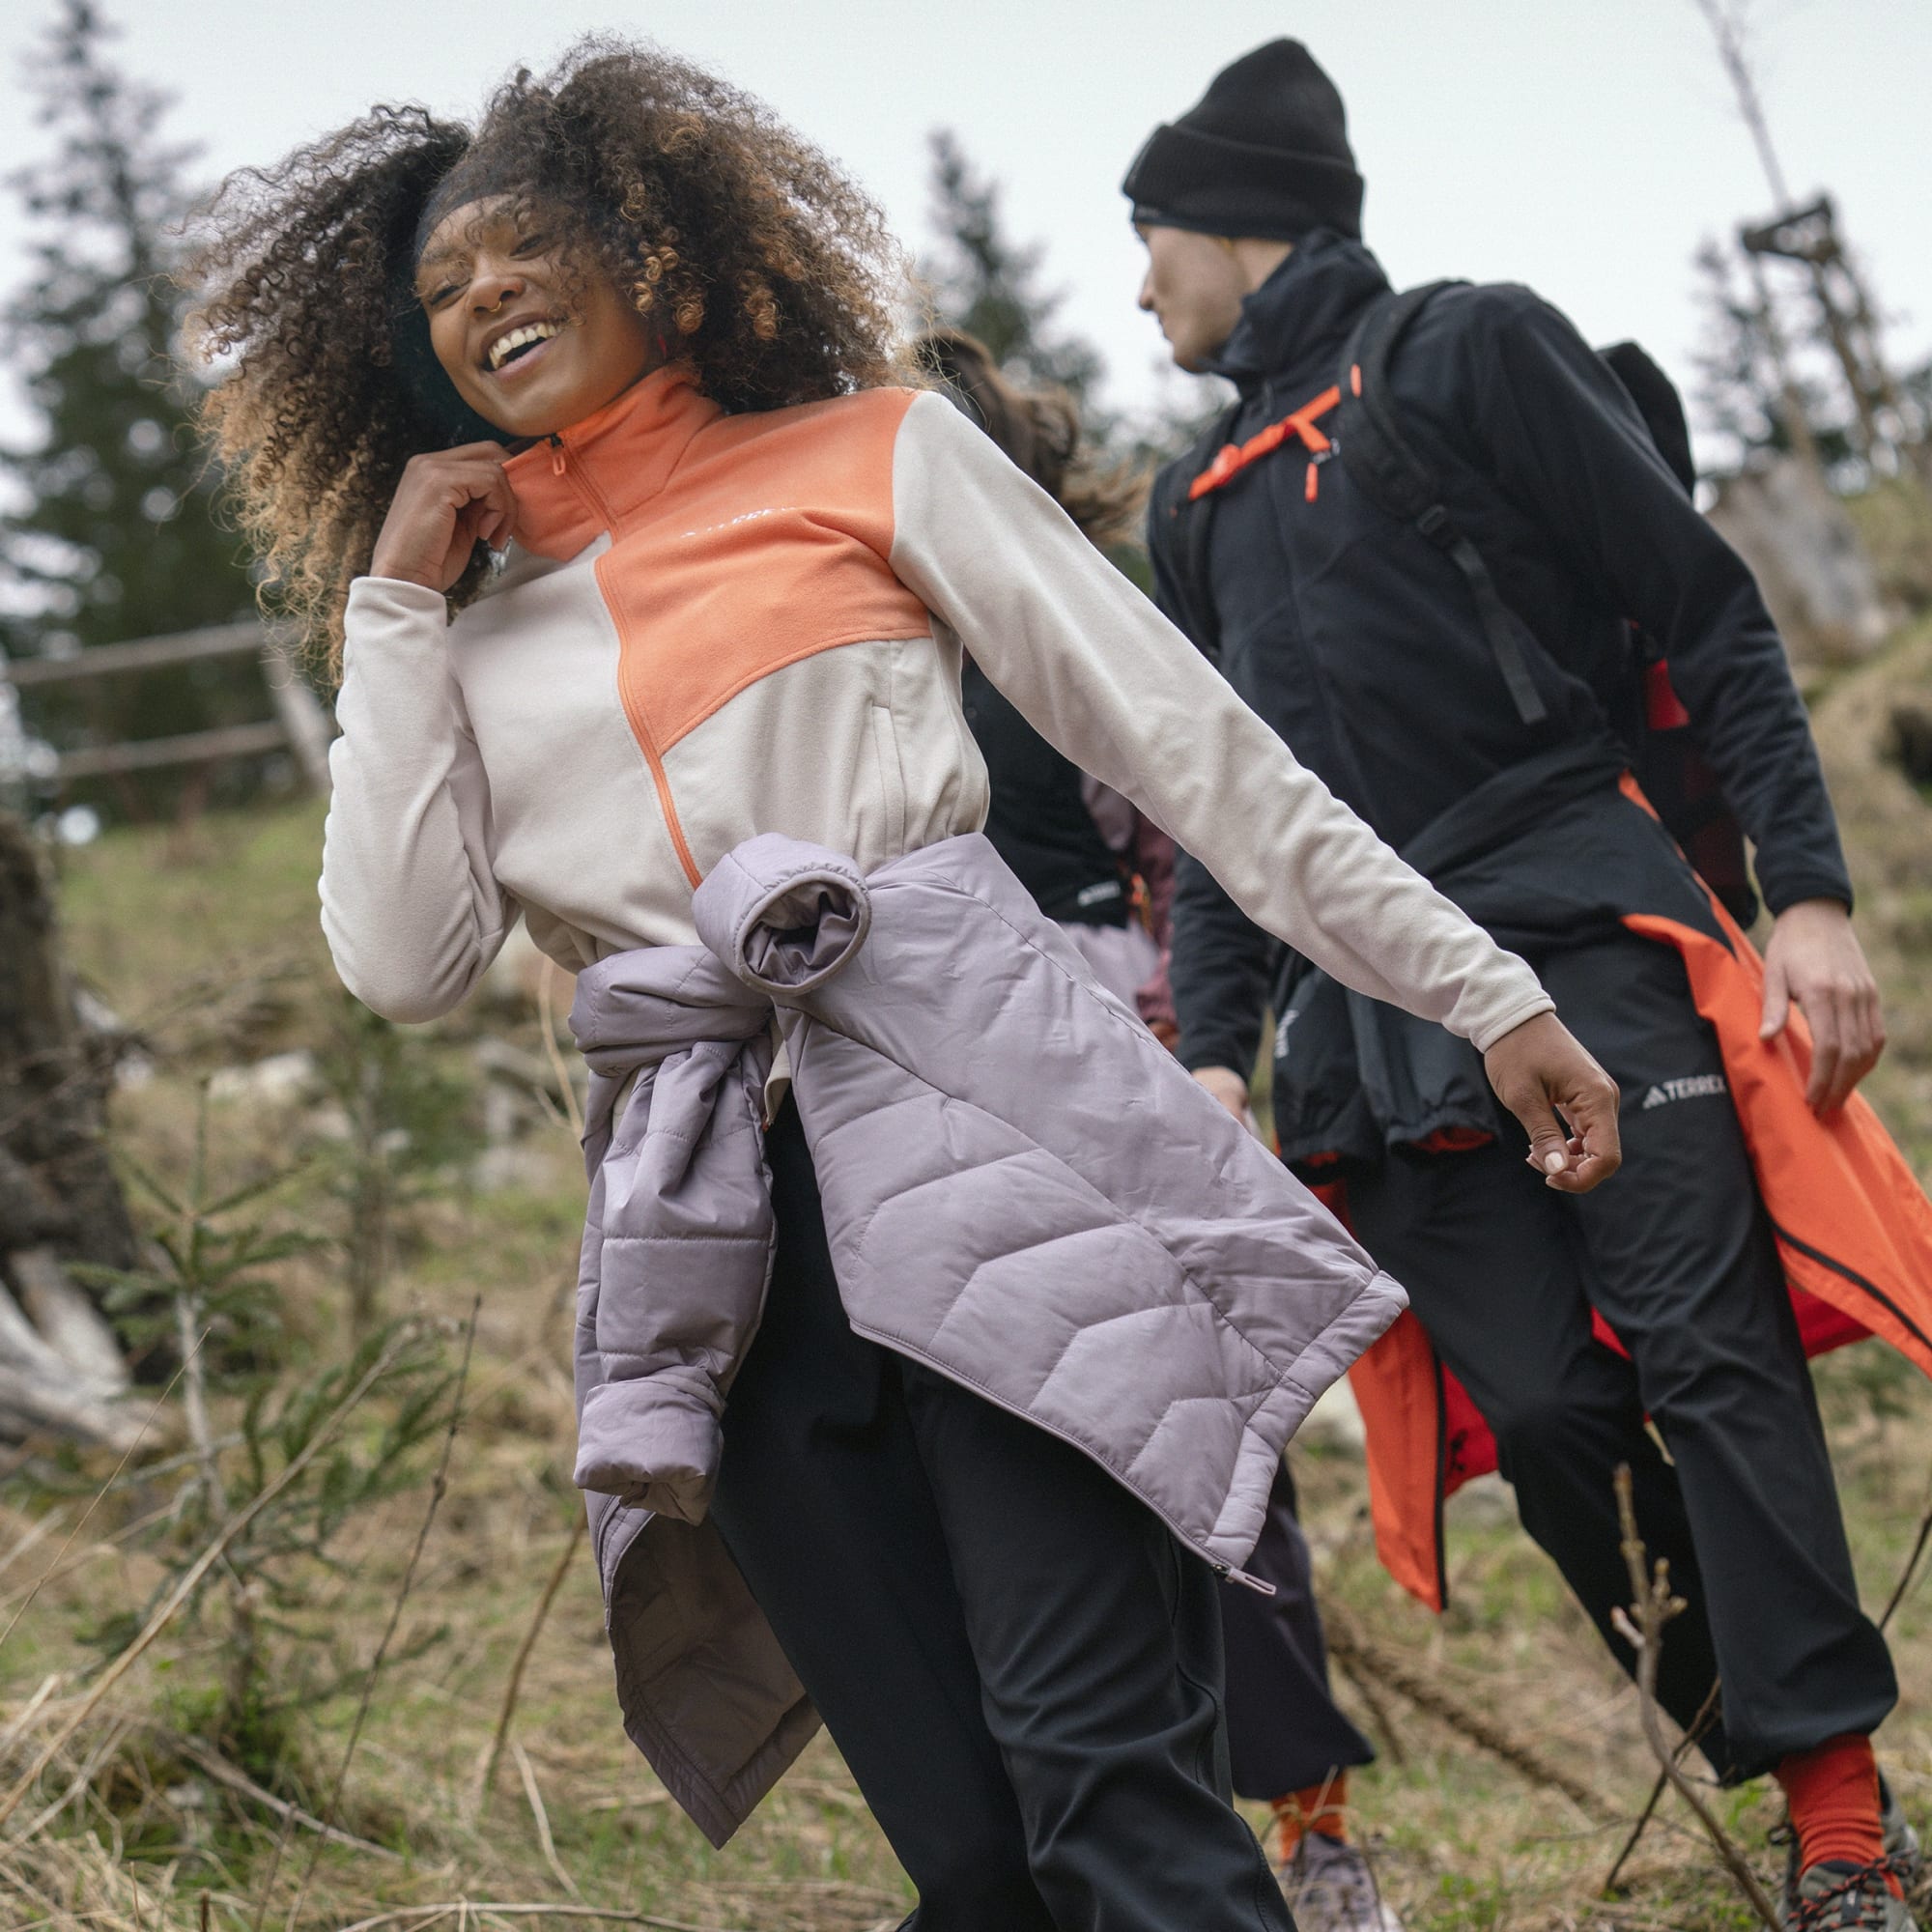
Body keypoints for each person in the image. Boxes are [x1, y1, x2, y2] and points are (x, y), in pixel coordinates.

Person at [189, 42, 1620, 1932]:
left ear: (658, 254)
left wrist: (1485, 993)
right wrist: (389, 607)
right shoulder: (467, 633)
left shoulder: (875, 452)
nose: (486, 294)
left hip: (993, 1143)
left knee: (1109, 1785)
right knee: (971, 1861)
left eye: (526, 245)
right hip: (719, 1255)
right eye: (443, 286)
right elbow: (402, 963)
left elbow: (1200, 756)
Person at [1124, 38, 1932, 1931]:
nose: (1142, 286)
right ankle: (1744, 1727)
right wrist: (1219, 1058)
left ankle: (1836, 1825)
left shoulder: (1464, 350)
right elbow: (1225, 812)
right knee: (1549, 1417)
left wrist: (1808, 899)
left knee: (1709, 1359)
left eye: (1149, 237)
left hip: (1586, 933)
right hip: (1369, 1026)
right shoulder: (1195, 506)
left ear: (1232, 221)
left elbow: (1707, 606)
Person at [918, 325, 1399, 1932]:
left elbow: (1191, 841)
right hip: (917, 1089)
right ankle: (1094, 1842)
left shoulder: (1073, 617)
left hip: (1118, 1047)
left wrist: (1211, 1056)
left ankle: (1315, 1835)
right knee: (1010, 1468)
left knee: (1209, 1432)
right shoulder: (829, 646)